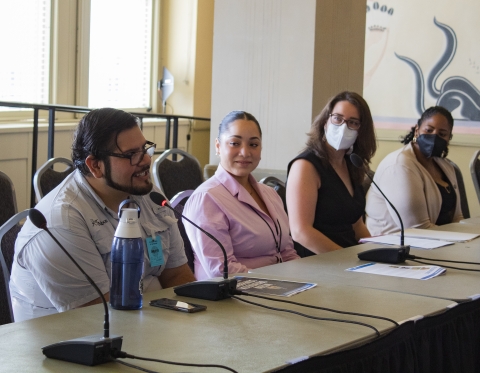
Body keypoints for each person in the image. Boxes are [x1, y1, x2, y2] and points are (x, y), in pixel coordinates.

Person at [9, 108, 195, 321]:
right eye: (131, 154)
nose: (145, 160)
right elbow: (100, 318)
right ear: (95, 165)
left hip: (146, 325)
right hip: (75, 342)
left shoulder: (147, 194)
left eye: (144, 148)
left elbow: (178, 276)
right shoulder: (61, 222)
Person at [183, 111, 299, 280]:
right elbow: (222, 271)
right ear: (218, 146)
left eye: (253, 145)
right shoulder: (206, 199)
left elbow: (287, 253)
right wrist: (277, 283)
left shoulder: (270, 194)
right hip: (234, 296)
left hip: (277, 288)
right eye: (234, 143)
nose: (245, 152)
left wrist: (305, 280)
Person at [286, 91, 377, 256]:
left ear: (361, 130)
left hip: (349, 260)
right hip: (317, 262)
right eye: (337, 118)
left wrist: (376, 252)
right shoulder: (306, 166)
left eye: (353, 122)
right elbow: (300, 231)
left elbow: (357, 226)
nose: (343, 126)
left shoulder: (352, 164)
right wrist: (346, 259)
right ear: (325, 122)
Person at [365, 106, 463, 235]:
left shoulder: (446, 166)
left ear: (448, 138)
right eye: (429, 130)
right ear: (417, 130)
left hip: (437, 242)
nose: (434, 137)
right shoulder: (399, 165)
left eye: (442, 134)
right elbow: (417, 230)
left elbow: (457, 219)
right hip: (394, 246)